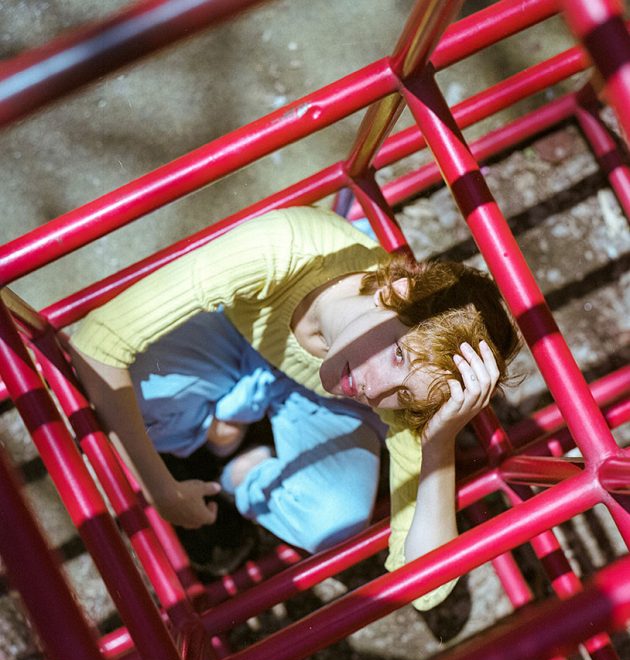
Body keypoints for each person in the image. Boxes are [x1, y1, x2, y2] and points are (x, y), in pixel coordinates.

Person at [69, 205, 519, 610]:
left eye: (403, 395)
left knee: (334, 523)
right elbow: (97, 342)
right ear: (395, 292)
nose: (376, 388)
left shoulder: (385, 390)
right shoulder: (282, 248)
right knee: (120, 398)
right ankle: (219, 430)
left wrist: (439, 443)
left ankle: (238, 461)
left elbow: (427, 589)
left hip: (316, 393)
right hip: (238, 334)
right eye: (398, 354)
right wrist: (159, 488)